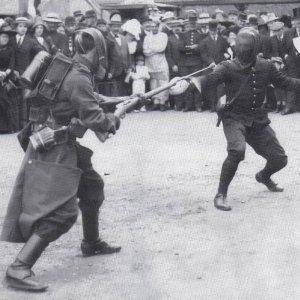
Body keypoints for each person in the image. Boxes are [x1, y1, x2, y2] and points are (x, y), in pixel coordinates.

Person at [1, 28, 123, 292]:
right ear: (97, 50)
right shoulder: (79, 76)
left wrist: (113, 101)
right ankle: (19, 267)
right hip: (54, 147)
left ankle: (91, 243)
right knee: (61, 212)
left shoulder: (69, 67)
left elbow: (80, 100)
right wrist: (112, 120)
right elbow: (93, 117)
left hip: (58, 141)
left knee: (92, 188)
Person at [173, 28, 300, 211]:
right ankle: (220, 194)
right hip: (234, 118)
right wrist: (188, 84)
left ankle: (263, 176)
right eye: (241, 47)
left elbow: (286, 82)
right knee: (237, 151)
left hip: (257, 119)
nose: (243, 51)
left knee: (280, 159)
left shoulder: (266, 66)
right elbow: (210, 79)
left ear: (254, 48)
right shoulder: (227, 67)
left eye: (247, 47)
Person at [143, 20, 169, 111]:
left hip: (161, 62)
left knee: (163, 82)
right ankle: (155, 102)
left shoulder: (163, 36)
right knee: (153, 82)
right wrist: (155, 51)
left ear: (159, 27)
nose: (154, 28)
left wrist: (151, 50)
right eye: (152, 26)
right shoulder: (147, 37)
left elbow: (162, 48)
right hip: (150, 63)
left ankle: (162, 102)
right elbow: (145, 51)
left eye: (155, 26)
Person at [281, 7, 300, 115]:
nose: (299, 24)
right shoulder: (288, 33)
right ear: (293, 22)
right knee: (292, 83)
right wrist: (286, 57)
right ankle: (289, 107)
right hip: (292, 63)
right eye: (297, 22)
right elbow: (282, 47)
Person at [0, 24, 16, 133]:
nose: (5, 39)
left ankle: (6, 128)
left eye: (6, 37)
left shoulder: (10, 50)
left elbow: (12, 64)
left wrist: (5, 73)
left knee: (5, 101)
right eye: (2, 37)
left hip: (6, 77)